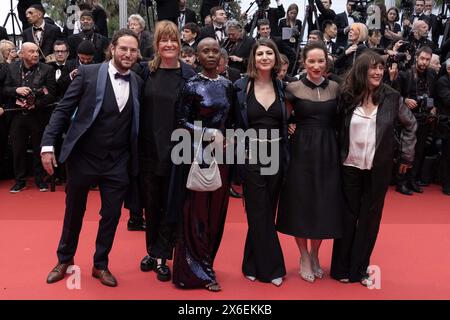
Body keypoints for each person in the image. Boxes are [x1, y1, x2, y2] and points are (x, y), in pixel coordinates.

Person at [42, 29, 142, 287]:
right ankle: (64, 258)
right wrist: (47, 146)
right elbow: (63, 110)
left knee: (111, 215)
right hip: (84, 157)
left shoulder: (138, 82)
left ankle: (101, 264)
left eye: (133, 50)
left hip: (118, 160)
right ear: (112, 48)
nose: (128, 54)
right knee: (74, 211)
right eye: (124, 48)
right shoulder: (88, 74)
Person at [331, 51, 417, 286]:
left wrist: (406, 156)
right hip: (349, 165)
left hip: (378, 167)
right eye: (373, 68)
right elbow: (333, 126)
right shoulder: (347, 95)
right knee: (348, 216)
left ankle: (359, 269)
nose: (379, 72)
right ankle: (340, 268)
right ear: (361, 70)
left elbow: (411, 124)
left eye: (381, 68)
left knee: (370, 218)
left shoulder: (392, 97)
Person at [277, 41, 344, 283]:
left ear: (327, 63)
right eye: (311, 61)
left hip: (328, 151)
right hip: (301, 151)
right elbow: (281, 119)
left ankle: (316, 254)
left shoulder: (336, 88)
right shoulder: (292, 88)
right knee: (302, 203)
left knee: (324, 203)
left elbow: (342, 120)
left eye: (321, 61)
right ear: (304, 63)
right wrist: (290, 126)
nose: (316, 65)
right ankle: (303, 256)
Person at [172, 37, 234, 292]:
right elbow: (180, 121)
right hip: (197, 155)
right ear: (197, 56)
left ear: (220, 55)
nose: (210, 54)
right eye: (205, 51)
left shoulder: (228, 85)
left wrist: (229, 137)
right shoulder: (191, 86)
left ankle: (208, 263)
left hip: (222, 157)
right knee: (196, 214)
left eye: (214, 51)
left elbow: (232, 120)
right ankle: (194, 270)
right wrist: (207, 133)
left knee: (216, 213)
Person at [139, 20, 196, 282]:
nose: (169, 44)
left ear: (180, 44)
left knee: (170, 203)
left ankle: (163, 255)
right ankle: (152, 250)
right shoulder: (144, 72)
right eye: (164, 40)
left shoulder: (189, 75)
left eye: (174, 40)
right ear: (157, 44)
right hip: (149, 150)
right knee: (151, 204)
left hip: (178, 151)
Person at [234, 38, 289, 287]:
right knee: (258, 209)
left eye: (269, 53)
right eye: (260, 54)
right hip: (251, 153)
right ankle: (273, 268)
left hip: (277, 152)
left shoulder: (283, 88)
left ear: (275, 58)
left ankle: (250, 263)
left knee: (267, 209)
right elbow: (233, 122)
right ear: (253, 59)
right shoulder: (240, 87)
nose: (264, 57)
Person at [3, 42, 56, 193]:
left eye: (36, 52)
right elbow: (4, 89)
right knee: (17, 148)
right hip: (17, 114)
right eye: (31, 52)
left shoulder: (47, 69)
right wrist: (16, 90)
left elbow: (52, 93)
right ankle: (20, 181)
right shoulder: (11, 68)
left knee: (38, 147)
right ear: (22, 54)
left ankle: (40, 180)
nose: (35, 55)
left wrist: (36, 104)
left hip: (38, 114)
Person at [435, 59, 450, 195]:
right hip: (446, 124)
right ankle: (446, 184)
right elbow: (448, 100)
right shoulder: (443, 81)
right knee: (447, 155)